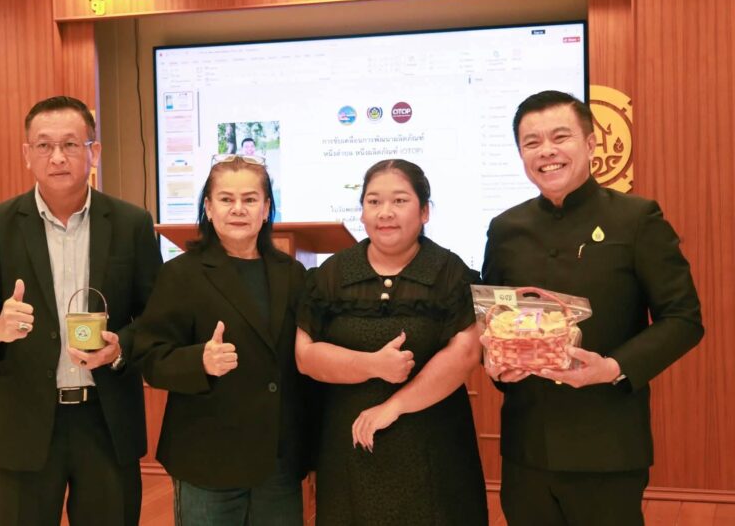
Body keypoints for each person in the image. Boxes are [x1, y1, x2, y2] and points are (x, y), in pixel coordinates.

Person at [481, 90, 704, 526]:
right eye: (532, 142)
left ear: (590, 143)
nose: (546, 151)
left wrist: (612, 368)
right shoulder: (505, 228)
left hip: (608, 444)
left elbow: (683, 319)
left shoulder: (636, 219)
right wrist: (494, 362)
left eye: (560, 137)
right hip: (527, 447)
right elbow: (493, 319)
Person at [0, 96, 163, 525]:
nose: (58, 157)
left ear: (94, 152)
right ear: (27, 154)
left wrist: (120, 347)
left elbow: (156, 318)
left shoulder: (131, 224)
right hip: (25, 424)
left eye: (70, 144)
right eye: (44, 145)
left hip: (106, 421)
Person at [296, 159, 488, 525]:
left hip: (433, 444)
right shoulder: (333, 273)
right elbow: (305, 356)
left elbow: (465, 354)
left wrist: (394, 406)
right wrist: (373, 365)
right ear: (362, 212)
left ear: (425, 211)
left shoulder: (450, 272)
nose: (385, 212)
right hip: (350, 443)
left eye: (400, 201)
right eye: (374, 201)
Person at [133, 154, 312, 525]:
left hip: (277, 459)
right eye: (226, 199)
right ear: (209, 208)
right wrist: (199, 361)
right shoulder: (181, 273)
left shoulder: (293, 274)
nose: (238, 209)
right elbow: (150, 357)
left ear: (266, 209)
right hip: (208, 457)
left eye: (250, 199)